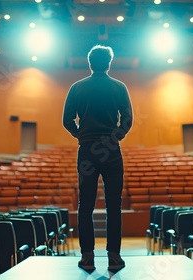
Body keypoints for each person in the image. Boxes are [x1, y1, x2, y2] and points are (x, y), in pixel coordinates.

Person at [62, 45, 133, 272]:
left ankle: (87, 257)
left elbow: (67, 120)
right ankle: (114, 257)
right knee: (114, 206)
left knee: (86, 206)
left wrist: (80, 134)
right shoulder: (119, 87)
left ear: (90, 63)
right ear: (109, 63)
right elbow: (128, 119)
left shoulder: (77, 87)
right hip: (111, 150)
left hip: (87, 150)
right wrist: (116, 136)